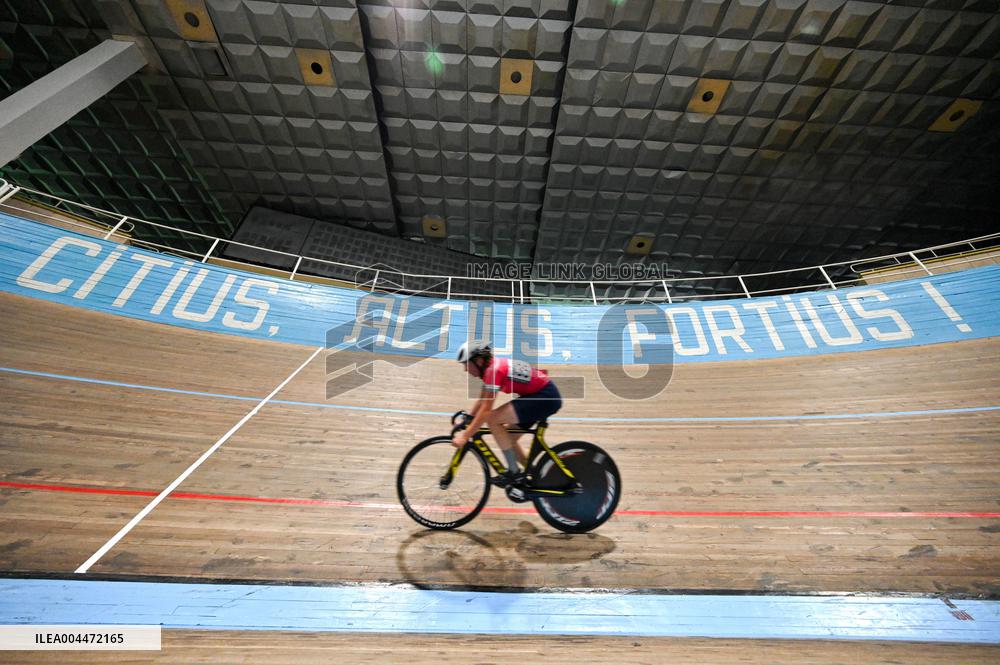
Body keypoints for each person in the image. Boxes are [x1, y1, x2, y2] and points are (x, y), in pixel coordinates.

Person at [451, 340, 562, 484]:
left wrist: (465, 437)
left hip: (544, 396)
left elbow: (485, 410)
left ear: (478, 361)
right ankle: (537, 477)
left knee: (491, 419)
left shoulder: (494, 371)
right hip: (541, 395)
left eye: (466, 364)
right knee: (507, 439)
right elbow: (482, 399)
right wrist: (470, 418)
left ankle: (513, 472)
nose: (465, 370)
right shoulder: (491, 369)